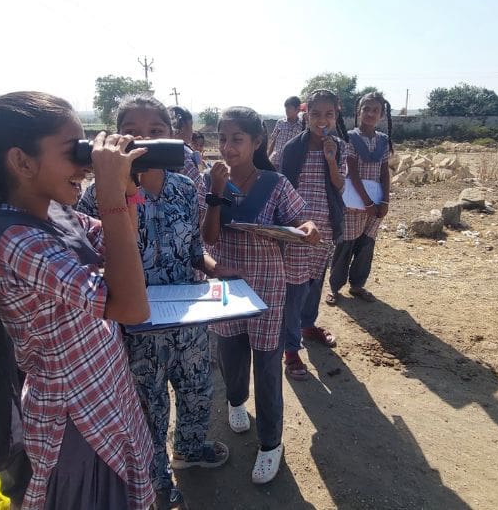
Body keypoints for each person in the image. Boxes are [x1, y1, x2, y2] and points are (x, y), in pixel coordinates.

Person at [0, 92, 155, 510]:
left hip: (104, 388)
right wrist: (107, 195)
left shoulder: (54, 213)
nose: (86, 165)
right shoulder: (15, 238)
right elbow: (131, 307)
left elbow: (125, 246)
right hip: (73, 416)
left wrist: (124, 188)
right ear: (22, 162)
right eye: (75, 152)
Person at [78, 95, 235, 509]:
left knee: (199, 388)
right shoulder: (98, 196)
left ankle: (189, 449)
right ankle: (156, 484)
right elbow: (96, 264)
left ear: (170, 137)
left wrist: (214, 268)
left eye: (156, 132)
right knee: (148, 409)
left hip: (188, 316)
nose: (143, 140)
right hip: (137, 327)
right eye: (132, 131)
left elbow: (192, 249)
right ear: (116, 138)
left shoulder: (184, 187)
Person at [202, 107, 319, 485]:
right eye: (222, 138)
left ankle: (271, 443)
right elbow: (209, 239)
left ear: (256, 142)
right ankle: (236, 401)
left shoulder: (275, 182)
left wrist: (308, 227)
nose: (228, 147)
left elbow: (301, 219)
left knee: (267, 364)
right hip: (224, 279)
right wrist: (216, 195)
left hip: (268, 281)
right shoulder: (210, 180)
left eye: (237, 139)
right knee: (229, 351)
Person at [279, 89, 349, 380]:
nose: (322, 120)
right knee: (295, 288)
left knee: (314, 281)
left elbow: (340, 186)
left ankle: (308, 326)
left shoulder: (340, 146)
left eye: (328, 114)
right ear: (306, 114)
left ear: (336, 115)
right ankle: (291, 349)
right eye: (316, 114)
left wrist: (331, 158)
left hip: (327, 226)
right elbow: (283, 186)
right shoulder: (293, 148)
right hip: (298, 227)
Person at [327, 91, 393, 304]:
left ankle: (357, 285)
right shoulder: (350, 139)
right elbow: (352, 172)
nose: (370, 113)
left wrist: (385, 201)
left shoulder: (383, 141)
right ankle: (335, 288)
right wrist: (367, 202)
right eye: (366, 109)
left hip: (376, 202)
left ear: (382, 115)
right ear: (358, 111)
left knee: (366, 244)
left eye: (375, 110)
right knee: (345, 243)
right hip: (354, 202)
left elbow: (384, 172)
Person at [267, 96, 304, 170]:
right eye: (286, 108)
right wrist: (267, 156)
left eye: (289, 108)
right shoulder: (280, 122)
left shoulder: (302, 126)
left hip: (290, 161)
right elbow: (273, 141)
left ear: (297, 109)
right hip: (275, 160)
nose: (287, 110)